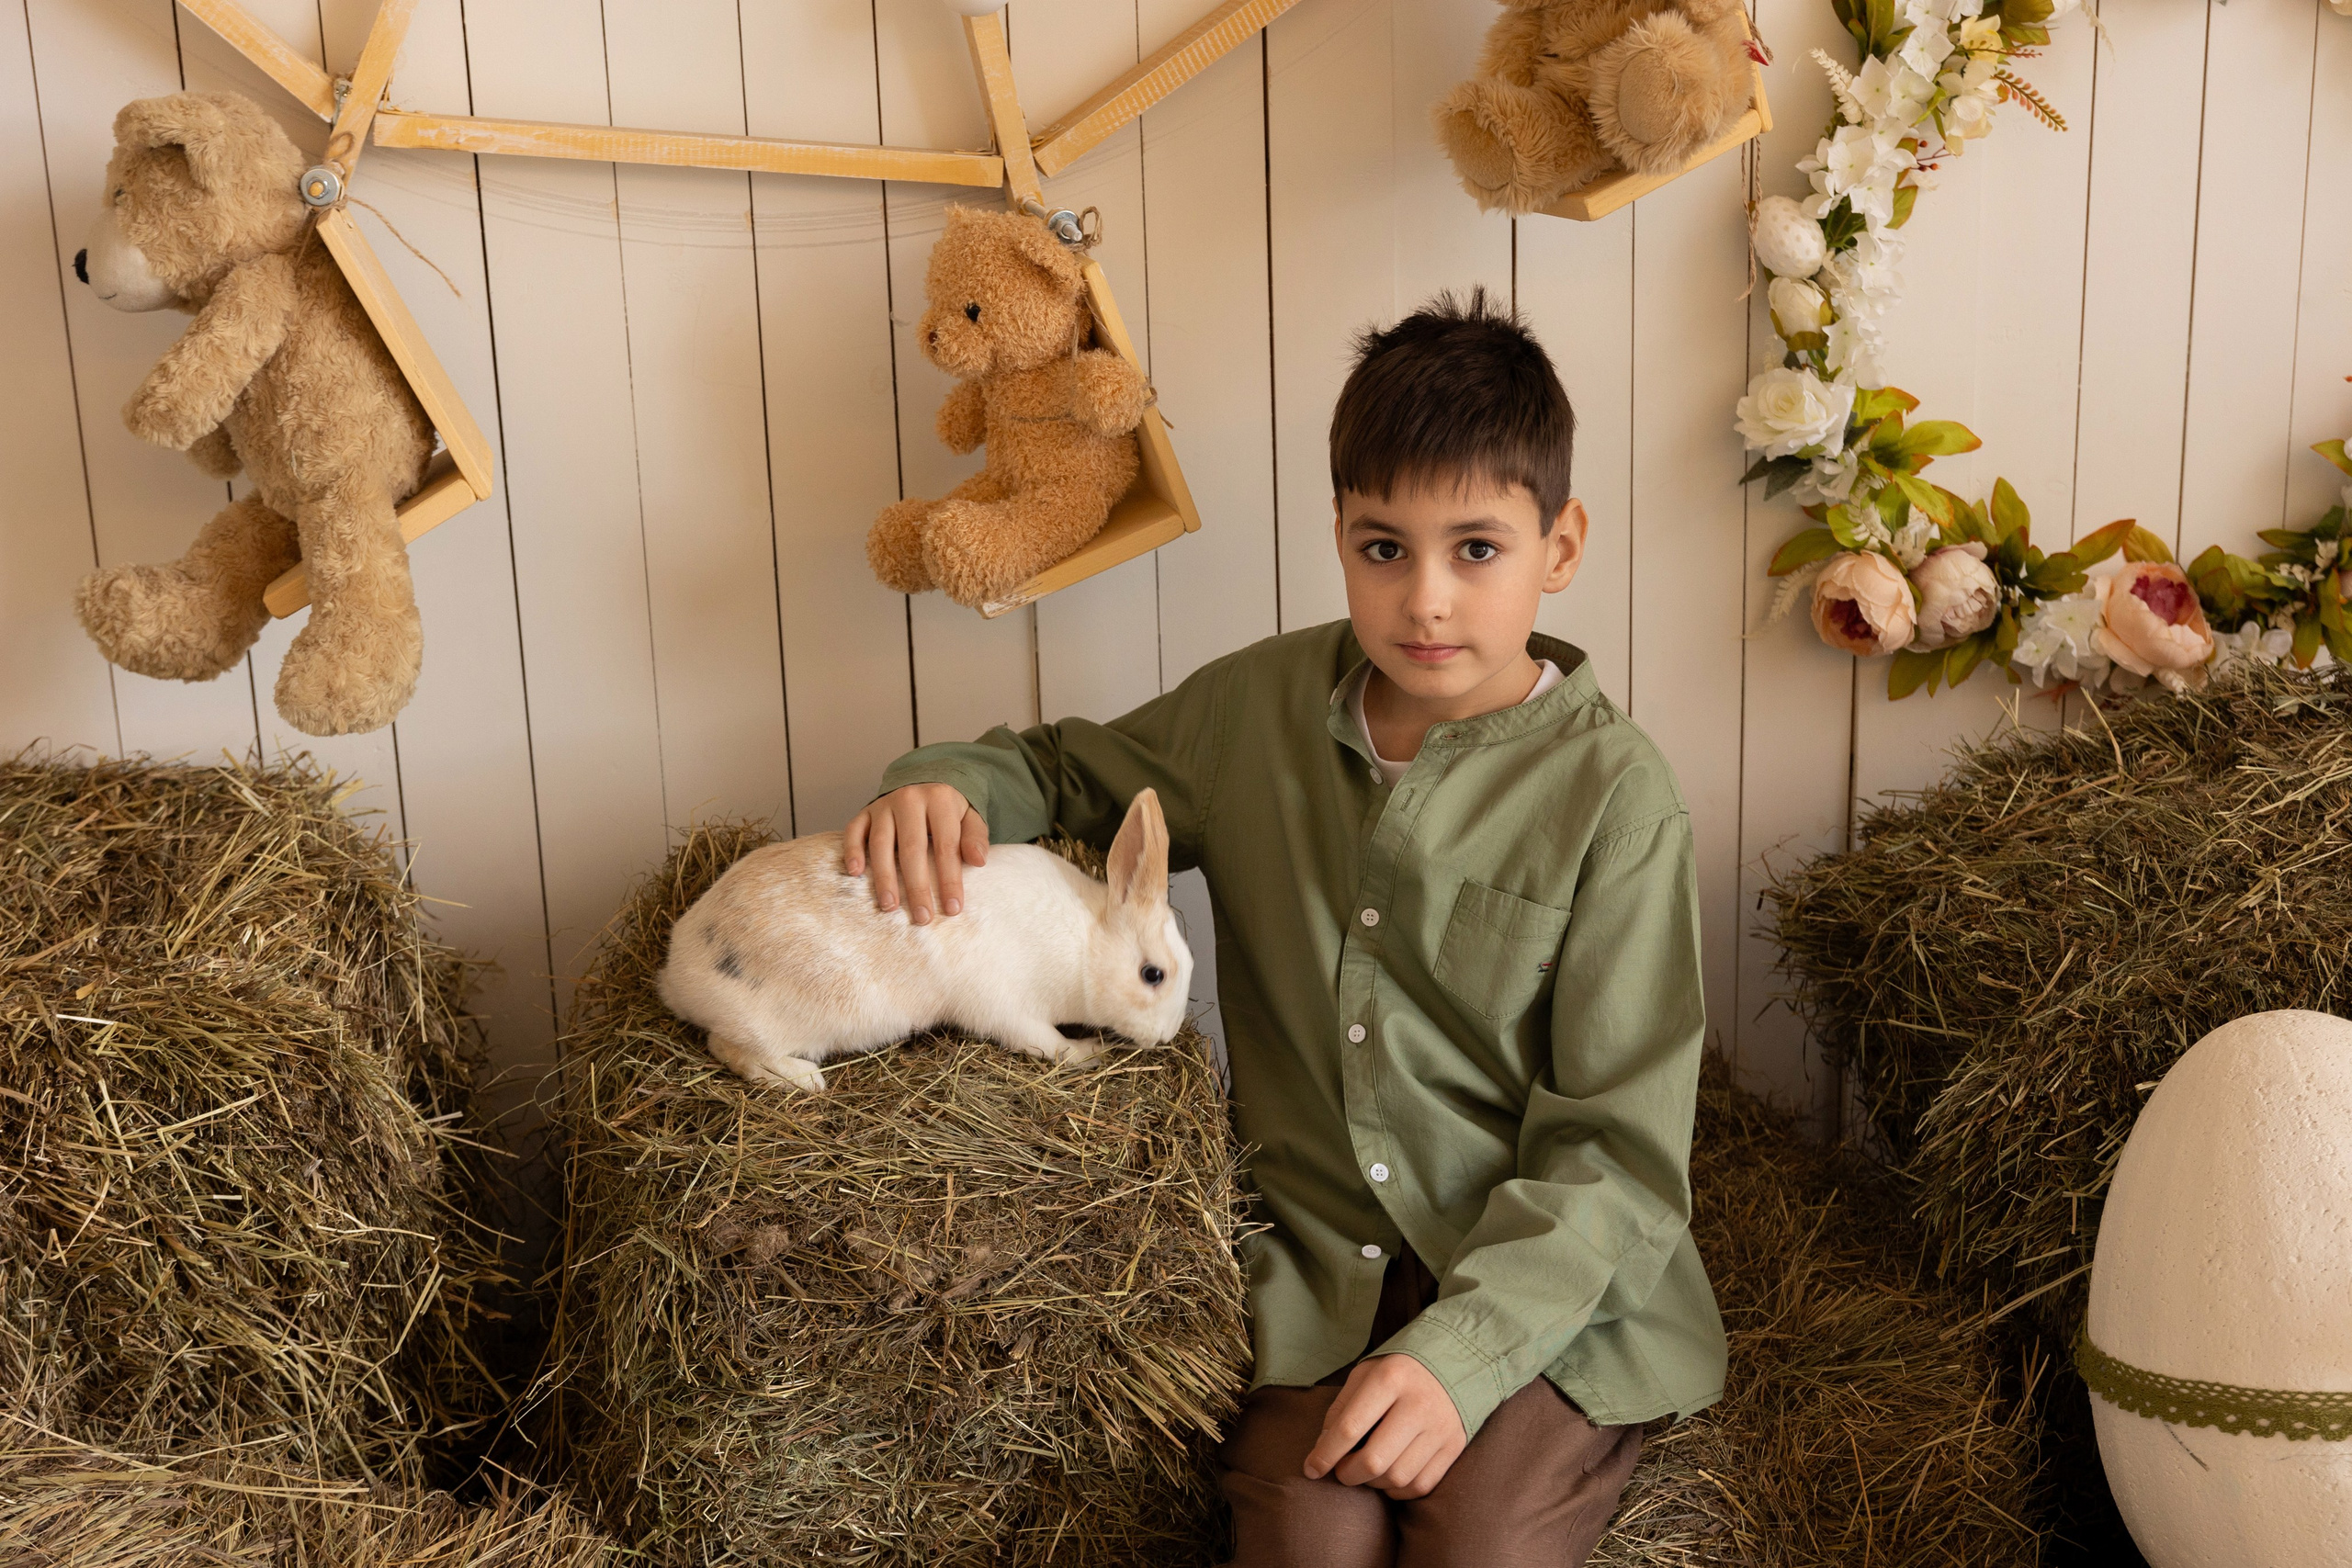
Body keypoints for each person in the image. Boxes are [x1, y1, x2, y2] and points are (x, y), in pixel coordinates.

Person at [844, 288, 1724, 1567]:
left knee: (1477, 1540)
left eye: (1477, 549)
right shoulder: (1253, 712)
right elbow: (1066, 770)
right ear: (1339, 535)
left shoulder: (1617, 799)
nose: (1426, 600)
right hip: (1321, 1268)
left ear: (1562, 543)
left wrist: (1459, 1360)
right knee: (1306, 1532)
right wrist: (941, 787)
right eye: (1384, 548)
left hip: (1543, 1279)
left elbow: (1620, 1153)